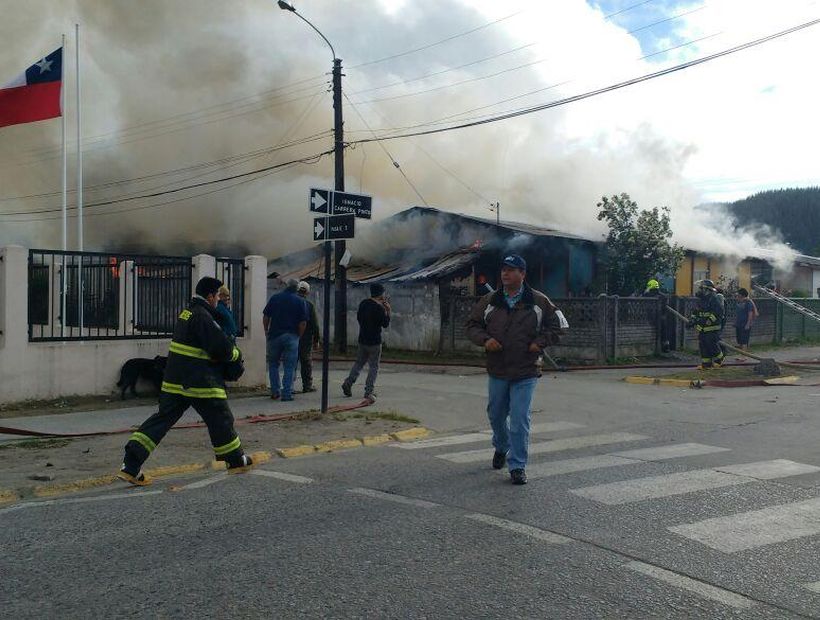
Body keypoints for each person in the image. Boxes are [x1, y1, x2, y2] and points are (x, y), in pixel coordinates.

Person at [117, 277, 252, 486]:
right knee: (221, 418)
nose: (218, 299)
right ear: (210, 296)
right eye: (217, 296)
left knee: (160, 421)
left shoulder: (187, 313)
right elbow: (221, 348)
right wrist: (236, 354)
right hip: (200, 382)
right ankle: (236, 460)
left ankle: (130, 465)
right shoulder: (203, 317)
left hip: (174, 382)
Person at [465, 254, 565, 486]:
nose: (505, 274)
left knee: (520, 419)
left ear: (523, 274)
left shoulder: (539, 301)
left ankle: (518, 465)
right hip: (497, 368)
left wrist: (538, 343)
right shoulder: (490, 300)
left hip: (526, 370)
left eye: (511, 270)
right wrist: (485, 339)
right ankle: (501, 446)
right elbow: (471, 325)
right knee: (496, 414)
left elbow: (559, 326)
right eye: (503, 270)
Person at [342, 283, 391, 401]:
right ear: (380, 294)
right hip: (375, 342)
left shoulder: (363, 304)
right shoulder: (379, 308)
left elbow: (359, 318)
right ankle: (369, 391)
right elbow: (385, 324)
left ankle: (348, 383)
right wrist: (388, 310)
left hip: (362, 339)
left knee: (359, 363)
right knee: (373, 367)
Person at [263, 278, 308, 401]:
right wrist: (298, 336)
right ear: (297, 288)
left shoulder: (275, 298)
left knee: (273, 364)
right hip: (291, 336)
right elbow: (303, 322)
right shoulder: (300, 301)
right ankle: (287, 394)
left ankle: (274, 392)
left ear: (286, 286)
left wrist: (266, 331)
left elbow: (266, 316)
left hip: (274, 336)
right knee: (289, 366)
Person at [688, 279, 725, 369]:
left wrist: (709, 320)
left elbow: (718, 311)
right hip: (702, 328)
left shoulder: (714, 298)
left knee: (711, 344)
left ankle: (719, 360)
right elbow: (696, 311)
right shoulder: (701, 300)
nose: (700, 290)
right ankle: (706, 364)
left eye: (702, 288)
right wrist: (692, 320)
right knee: (703, 345)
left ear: (707, 289)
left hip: (712, 327)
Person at [296, 280, 320, 393]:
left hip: (292, 335)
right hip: (305, 338)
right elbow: (315, 324)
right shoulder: (309, 305)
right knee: (306, 362)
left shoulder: (292, 302)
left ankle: (288, 386)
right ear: (307, 292)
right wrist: (316, 340)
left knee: (292, 362)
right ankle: (307, 385)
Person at [643, 278, 671, 352]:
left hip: (652, 317)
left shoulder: (648, 295)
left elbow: (642, 298)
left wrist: (646, 292)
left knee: (660, 331)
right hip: (662, 317)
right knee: (664, 331)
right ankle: (665, 346)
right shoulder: (662, 296)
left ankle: (661, 346)